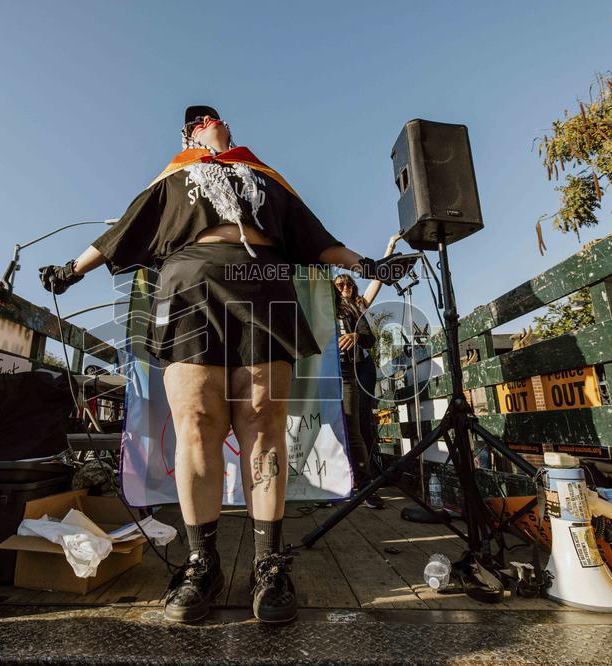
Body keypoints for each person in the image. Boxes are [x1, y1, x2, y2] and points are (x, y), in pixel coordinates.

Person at [38, 105, 413, 624]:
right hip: (189, 284)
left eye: (216, 117)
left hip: (263, 287)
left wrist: (366, 264)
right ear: (191, 134)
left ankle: (267, 563)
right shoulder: (174, 175)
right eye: (200, 120)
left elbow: (312, 235)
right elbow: (126, 229)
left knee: (263, 424)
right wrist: (70, 269)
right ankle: (202, 563)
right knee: (196, 423)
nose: (212, 121)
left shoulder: (263, 175)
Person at [333, 234, 398, 509]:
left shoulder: (358, 305)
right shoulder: (329, 306)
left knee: (361, 419)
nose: (345, 285)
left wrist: (389, 249)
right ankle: (342, 478)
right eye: (340, 283)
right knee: (344, 421)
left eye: (349, 282)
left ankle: (368, 476)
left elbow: (378, 279)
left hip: (362, 366)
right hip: (338, 367)